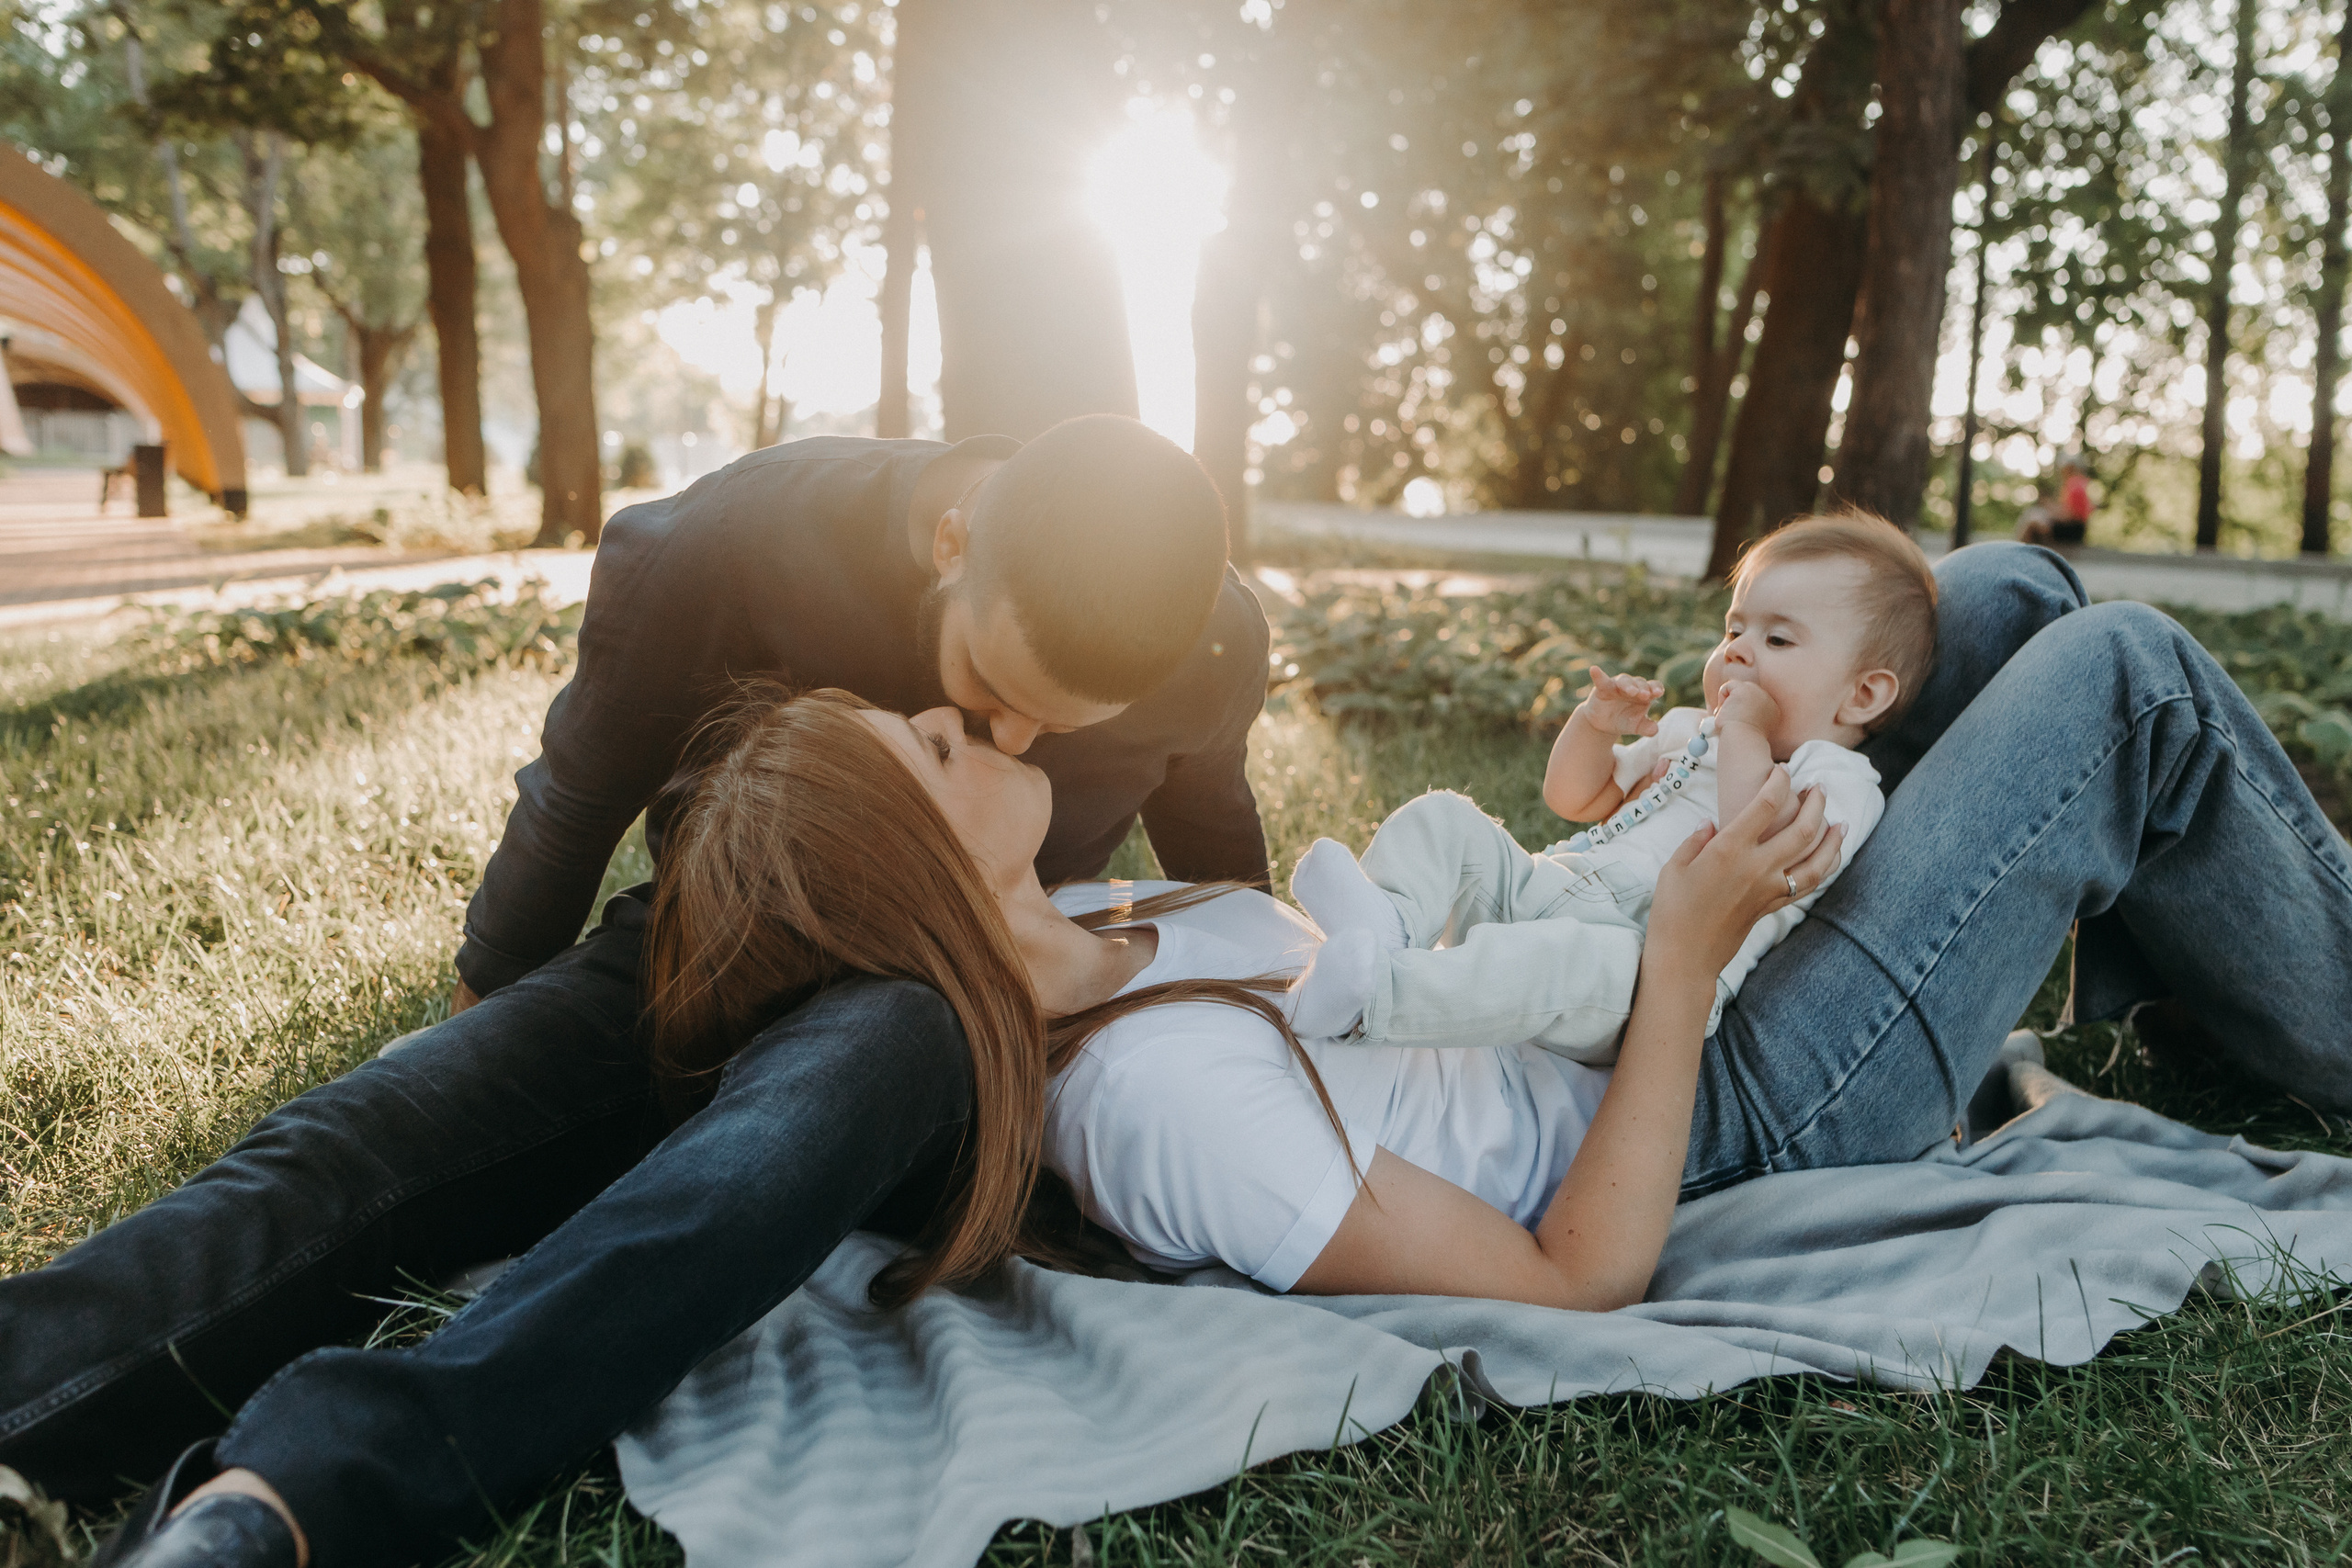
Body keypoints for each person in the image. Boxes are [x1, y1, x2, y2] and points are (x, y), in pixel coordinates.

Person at [3, 415, 1272, 1568]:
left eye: (1066, 726)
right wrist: (482, 1036)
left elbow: (1224, 852)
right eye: (990, 694)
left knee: (788, 1132)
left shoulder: (1204, 638)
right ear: (951, 542)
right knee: (366, 1138)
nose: (1015, 742)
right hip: (699, 947)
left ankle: (276, 1508)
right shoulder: (739, 541)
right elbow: (579, 791)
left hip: (933, 1016)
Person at [650, 540, 2352, 1308]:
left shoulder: (1102, 906)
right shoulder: (1157, 1103)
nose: (963, 716)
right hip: (1729, 1111)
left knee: (1995, 597)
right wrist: (1680, 950)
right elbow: (1579, 1269)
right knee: (2121, 673)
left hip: (1655, 989)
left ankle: (2196, 984)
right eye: (931, 748)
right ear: (917, 879)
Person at [1284, 513, 1934, 1056]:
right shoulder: (1689, 729)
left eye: (1778, 637)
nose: (1736, 650)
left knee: (1557, 960)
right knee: (1448, 818)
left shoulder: (1840, 781)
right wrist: (1595, 728)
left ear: (1863, 693)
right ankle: (1389, 918)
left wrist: (1745, 733)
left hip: (1643, 968)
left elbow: (1752, 851)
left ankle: (1374, 996)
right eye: (1733, 629)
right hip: (1553, 882)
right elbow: (1574, 798)